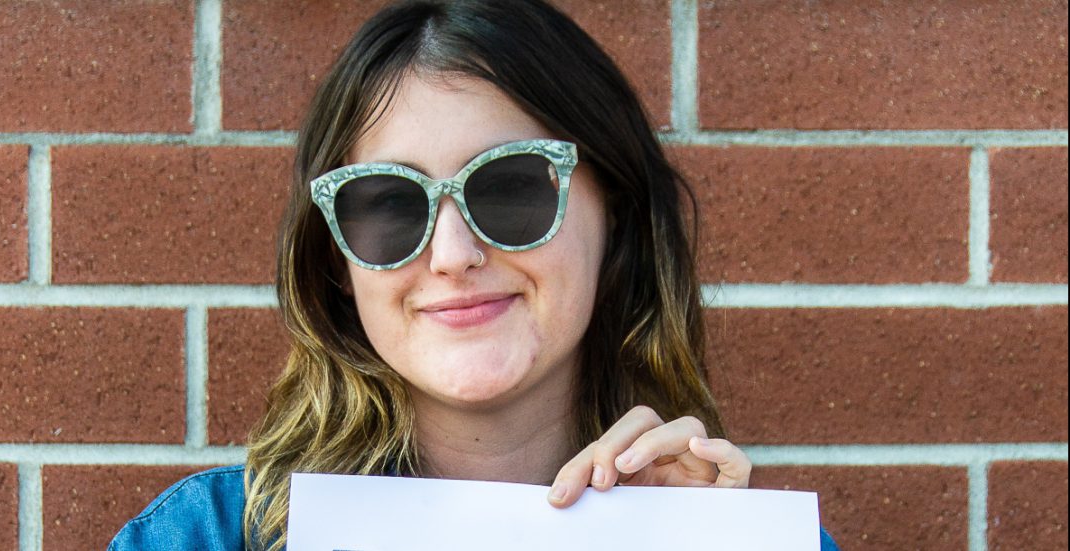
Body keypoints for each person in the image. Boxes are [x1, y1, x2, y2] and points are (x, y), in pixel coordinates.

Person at [110, 1, 840, 549]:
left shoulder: (736, 534)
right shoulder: (204, 538)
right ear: (336, 257)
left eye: (511, 188)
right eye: (391, 204)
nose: (452, 252)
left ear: (615, 215)